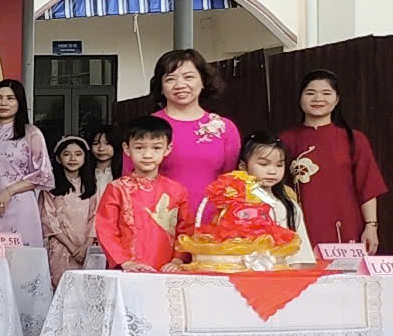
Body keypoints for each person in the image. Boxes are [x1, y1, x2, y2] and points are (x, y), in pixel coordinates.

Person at [282, 69, 385, 250]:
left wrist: (371, 225)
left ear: (337, 100)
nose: (318, 99)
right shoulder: (285, 140)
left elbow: (367, 186)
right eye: (310, 93)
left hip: (346, 224)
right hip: (300, 226)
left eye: (326, 93)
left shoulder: (354, 139)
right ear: (300, 98)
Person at [150, 49, 241, 209]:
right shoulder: (148, 127)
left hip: (213, 219)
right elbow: (132, 182)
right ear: (161, 87)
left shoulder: (225, 128)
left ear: (203, 81)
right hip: (162, 217)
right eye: (170, 79)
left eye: (189, 77)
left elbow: (232, 182)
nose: (180, 85)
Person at [95, 116, 187, 272]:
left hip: (167, 270)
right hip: (127, 270)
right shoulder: (117, 188)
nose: (147, 155)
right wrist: (125, 262)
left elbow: (185, 230)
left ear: (168, 149)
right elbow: (106, 229)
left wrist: (177, 260)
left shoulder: (177, 190)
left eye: (156, 148)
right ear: (126, 148)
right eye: (139, 147)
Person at [0, 79, 51, 247]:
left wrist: (9, 191)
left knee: (21, 257)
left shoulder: (31, 134)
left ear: (20, 102)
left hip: (19, 205)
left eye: (10, 98)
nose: (3, 103)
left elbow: (43, 174)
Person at [237, 134, 315, 267]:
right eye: (264, 164)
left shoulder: (289, 206)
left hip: (285, 274)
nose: (272, 171)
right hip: (244, 274)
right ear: (243, 166)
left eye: (279, 165)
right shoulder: (236, 205)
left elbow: (301, 256)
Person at [41, 137, 100, 286]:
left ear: (85, 157)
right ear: (58, 158)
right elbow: (48, 219)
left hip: (85, 246)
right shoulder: (50, 187)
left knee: (85, 288)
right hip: (60, 245)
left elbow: (95, 216)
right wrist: (71, 247)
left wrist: (86, 246)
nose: (73, 158)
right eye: (67, 154)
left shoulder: (91, 185)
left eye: (78, 154)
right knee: (61, 286)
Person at [88, 123, 121, 191]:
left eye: (107, 143)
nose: (101, 148)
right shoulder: (84, 173)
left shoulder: (124, 172)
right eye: (96, 144)